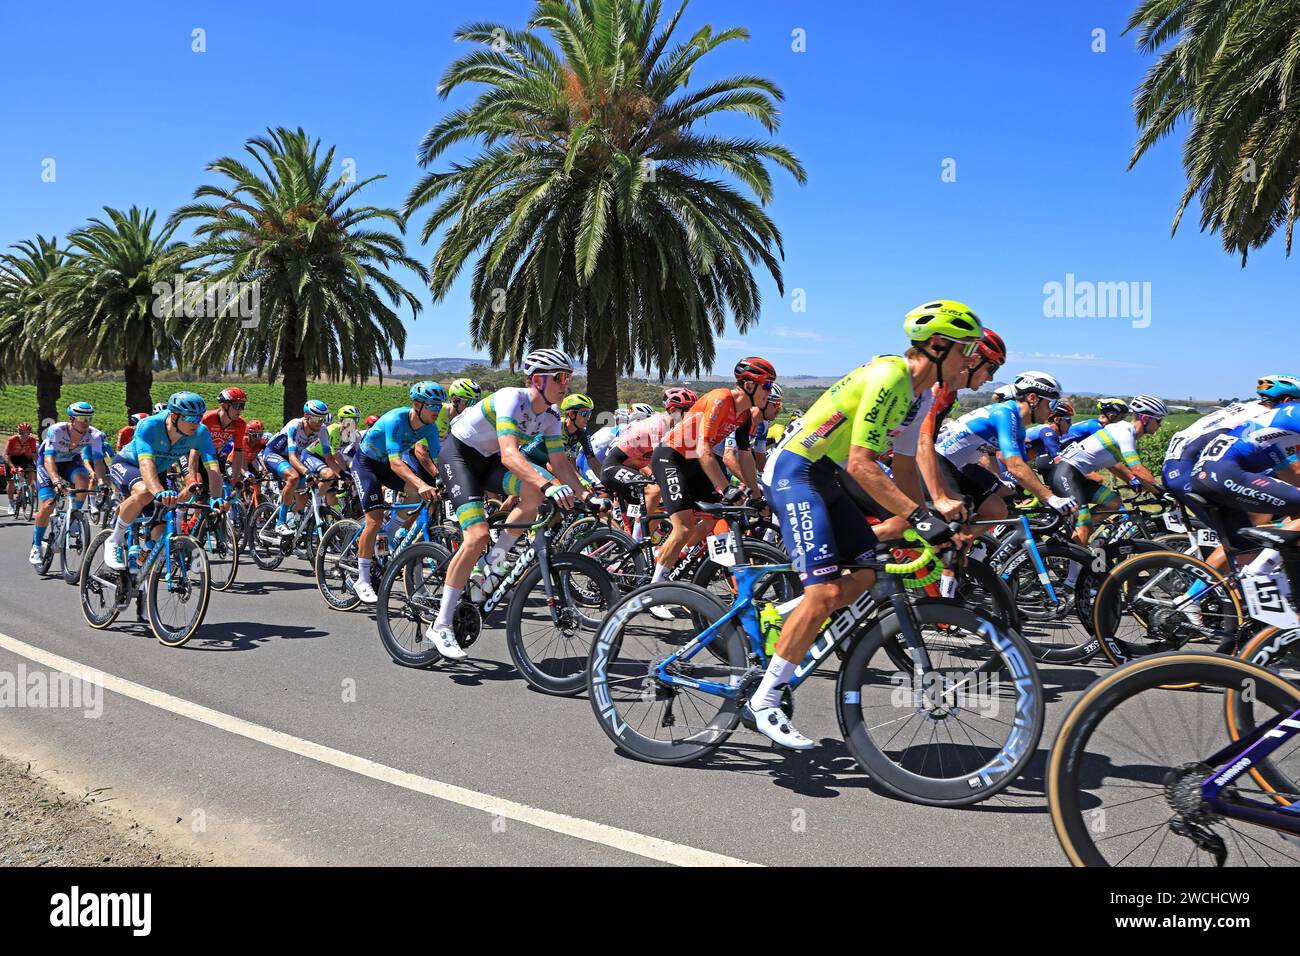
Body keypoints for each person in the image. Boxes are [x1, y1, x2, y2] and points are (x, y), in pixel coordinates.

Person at [752, 299, 983, 748]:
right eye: (965, 350)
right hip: (794, 470)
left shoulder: (923, 394)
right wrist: (919, 517)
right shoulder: (891, 376)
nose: (969, 361)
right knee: (823, 594)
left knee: (860, 577)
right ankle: (764, 701)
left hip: (825, 473)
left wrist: (922, 523)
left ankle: (782, 615)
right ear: (936, 346)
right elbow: (862, 464)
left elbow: (904, 465)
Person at [430, 349, 595, 659]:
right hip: (459, 457)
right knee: (477, 535)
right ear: (537, 380)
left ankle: (493, 563)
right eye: (560, 378)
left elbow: (560, 464)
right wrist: (548, 485)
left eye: (569, 378)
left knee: (533, 495)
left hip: (489, 461)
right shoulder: (511, 398)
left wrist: (586, 494)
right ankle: (440, 624)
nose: (567, 385)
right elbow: (510, 455)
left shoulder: (550, 416)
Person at [648, 357, 777, 584]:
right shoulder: (721, 398)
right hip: (671, 457)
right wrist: (726, 488)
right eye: (766, 385)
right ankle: (654, 589)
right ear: (749, 385)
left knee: (712, 518)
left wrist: (756, 495)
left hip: (693, 462)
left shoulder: (745, 415)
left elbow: (745, 455)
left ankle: (672, 558)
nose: (769, 391)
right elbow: (704, 448)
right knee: (685, 526)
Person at [348, 382, 447, 604]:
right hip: (367, 464)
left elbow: (440, 459)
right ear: (417, 404)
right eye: (432, 405)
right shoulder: (396, 419)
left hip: (386, 466)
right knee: (374, 519)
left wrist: (448, 480)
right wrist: (422, 483)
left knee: (414, 495)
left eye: (439, 406)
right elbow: (396, 463)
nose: (437, 410)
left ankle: (388, 537)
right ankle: (362, 579)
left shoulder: (430, 429)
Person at [934, 370, 1078, 521]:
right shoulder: (1005, 413)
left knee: (998, 511)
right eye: (1050, 403)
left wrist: (1045, 494)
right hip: (940, 461)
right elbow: (1014, 466)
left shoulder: (1020, 427)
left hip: (959, 467)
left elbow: (1023, 466)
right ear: (1033, 398)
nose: (1052, 411)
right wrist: (1050, 498)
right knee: (957, 516)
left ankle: (969, 542)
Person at [103, 393, 225, 570]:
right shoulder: (150, 425)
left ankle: (140, 560)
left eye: (199, 417)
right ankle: (114, 540)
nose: (196, 422)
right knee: (145, 491)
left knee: (160, 528)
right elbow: (146, 463)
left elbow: (212, 468)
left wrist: (216, 498)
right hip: (129, 464)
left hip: (156, 471)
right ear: (174, 416)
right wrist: (158, 491)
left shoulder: (200, 433)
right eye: (191, 418)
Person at [1051, 395, 1167, 544]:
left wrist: (1136, 482)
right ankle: (1077, 561)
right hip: (1066, 473)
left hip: (1077, 474)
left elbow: (1114, 466)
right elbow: (1137, 469)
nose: (1160, 425)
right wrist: (1162, 491)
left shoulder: (1122, 430)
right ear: (1145, 419)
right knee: (1084, 525)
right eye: (1158, 420)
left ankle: (1069, 534)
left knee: (1114, 503)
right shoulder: (1125, 432)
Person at [601, 387, 697, 536]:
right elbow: (660, 461)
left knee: (657, 508)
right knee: (654, 492)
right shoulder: (659, 424)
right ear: (674, 410)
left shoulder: (676, 428)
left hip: (633, 471)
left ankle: (641, 544)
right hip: (614, 467)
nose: (692, 416)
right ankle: (636, 547)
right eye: (689, 411)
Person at [29, 402, 110, 566]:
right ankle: (36, 546)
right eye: (81, 418)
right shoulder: (57, 430)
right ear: (71, 419)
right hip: (48, 463)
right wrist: (56, 480)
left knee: (84, 481)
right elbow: (49, 459)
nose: (86, 422)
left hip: (70, 462)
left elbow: (99, 462)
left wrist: (101, 482)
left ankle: (73, 517)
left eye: (89, 417)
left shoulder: (94, 435)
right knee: (47, 504)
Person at [261, 400, 338, 534]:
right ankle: (280, 523)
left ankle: (294, 523)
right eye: (316, 418)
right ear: (306, 416)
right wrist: (307, 473)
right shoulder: (295, 426)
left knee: (303, 498)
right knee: (293, 477)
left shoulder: (322, 429)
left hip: (293, 458)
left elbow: (329, 457)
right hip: (274, 453)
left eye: (323, 419)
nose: (320, 422)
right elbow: (292, 457)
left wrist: (343, 473)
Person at [201, 387, 250, 486]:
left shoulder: (240, 424)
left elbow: (238, 452)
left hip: (212, 454)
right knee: (196, 485)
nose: (240, 410)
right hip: (194, 451)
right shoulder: (207, 419)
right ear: (224, 405)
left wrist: (235, 478)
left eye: (242, 406)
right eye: (237, 405)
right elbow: (195, 448)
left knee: (220, 487)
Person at [1059, 398, 1129, 450]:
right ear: (1112, 415)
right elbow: (1109, 451)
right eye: (1121, 417)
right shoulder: (1095, 427)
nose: (1122, 421)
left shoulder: (1094, 423)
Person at [1025, 400, 1074, 474]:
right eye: (1068, 420)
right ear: (1057, 419)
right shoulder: (1048, 431)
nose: (1071, 424)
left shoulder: (1049, 432)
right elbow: (1058, 460)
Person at [4, 423, 38, 516]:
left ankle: (26, 489)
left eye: (27, 433)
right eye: (22, 433)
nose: (25, 436)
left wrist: (39, 465)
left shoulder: (32, 440)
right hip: (11, 458)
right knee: (11, 482)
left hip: (23, 457)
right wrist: (12, 467)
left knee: (31, 471)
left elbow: (34, 454)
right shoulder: (12, 440)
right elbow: (6, 455)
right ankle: (11, 503)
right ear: (18, 432)